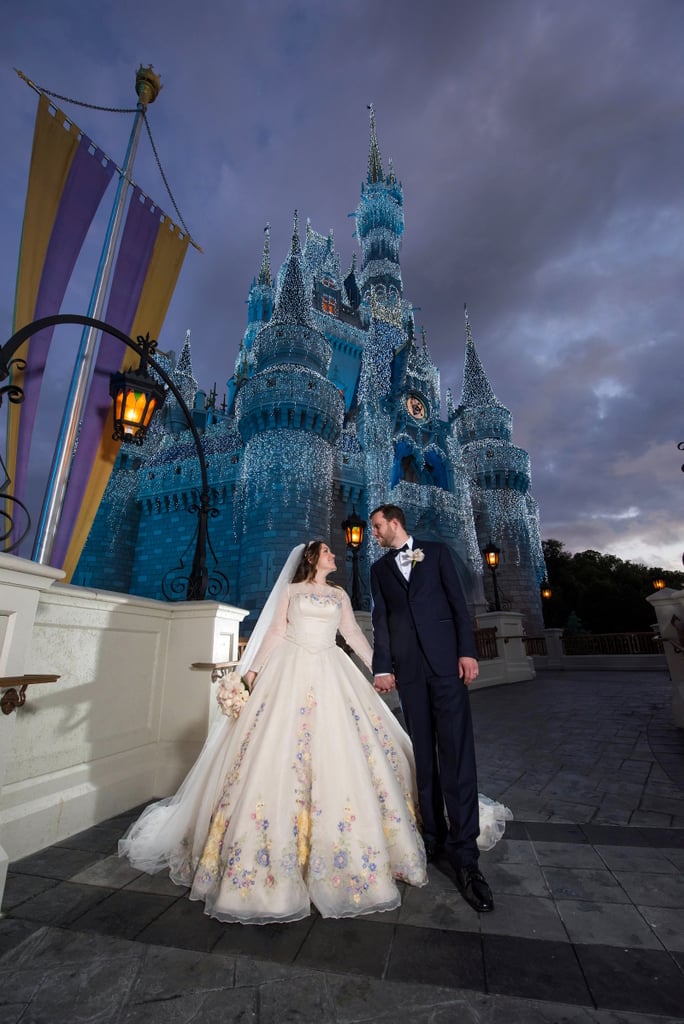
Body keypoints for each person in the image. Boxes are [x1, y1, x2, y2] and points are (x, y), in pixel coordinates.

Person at [119, 540, 427, 924]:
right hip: (290, 671)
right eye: (328, 552)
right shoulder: (291, 592)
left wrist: (378, 669)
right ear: (312, 558)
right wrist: (251, 673)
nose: (334, 556)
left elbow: (352, 634)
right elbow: (276, 633)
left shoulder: (339, 594)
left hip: (333, 672)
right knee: (273, 753)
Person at [369, 503, 511, 913]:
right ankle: (431, 840)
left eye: (377, 527)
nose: (373, 533)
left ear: (394, 523)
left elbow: (458, 607)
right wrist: (382, 668)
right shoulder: (379, 571)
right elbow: (382, 621)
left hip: (447, 667)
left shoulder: (438, 552)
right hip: (409, 674)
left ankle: (465, 856)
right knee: (424, 762)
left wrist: (467, 652)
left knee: (456, 756)